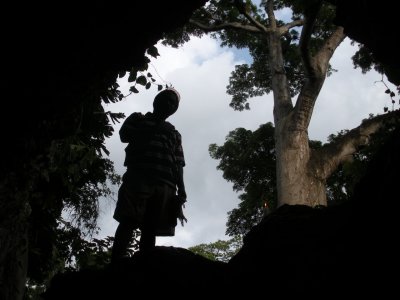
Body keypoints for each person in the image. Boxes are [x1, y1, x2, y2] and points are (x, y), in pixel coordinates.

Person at [111, 88, 187, 261]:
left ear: (174, 110)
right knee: (128, 220)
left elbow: (179, 162)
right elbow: (124, 136)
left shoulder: (174, 133)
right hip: (138, 177)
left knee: (150, 227)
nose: (169, 104)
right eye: (166, 99)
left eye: (173, 103)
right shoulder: (138, 119)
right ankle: (116, 263)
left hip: (165, 184)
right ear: (155, 101)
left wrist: (181, 188)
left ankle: (144, 264)